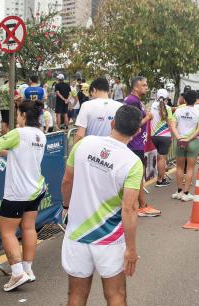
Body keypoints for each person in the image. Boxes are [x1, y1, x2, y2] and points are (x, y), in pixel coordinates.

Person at [61, 105, 143, 306]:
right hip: (110, 239)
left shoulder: (83, 144)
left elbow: (67, 180)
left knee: (76, 296)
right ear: (137, 132)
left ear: (112, 123)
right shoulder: (132, 162)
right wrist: (131, 249)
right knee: (116, 297)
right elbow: (129, 208)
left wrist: (66, 207)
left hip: (77, 234)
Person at [0, 100, 47, 292]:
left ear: (24, 115)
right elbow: (18, 152)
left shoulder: (18, 133)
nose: (16, 118)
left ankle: (16, 273)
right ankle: (28, 270)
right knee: (29, 228)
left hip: (17, 191)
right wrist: (1, 151)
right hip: (35, 189)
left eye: (17, 114)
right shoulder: (40, 135)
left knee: (7, 231)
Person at [122, 77, 161, 217]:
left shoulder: (133, 100)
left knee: (134, 176)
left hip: (134, 143)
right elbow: (134, 124)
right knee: (138, 176)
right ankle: (141, 206)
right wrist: (148, 117)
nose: (146, 87)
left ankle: (136, 205)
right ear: (135, 87)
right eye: (143, 85)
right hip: (134, 144)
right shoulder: (133, 101)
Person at [171, 89, 199, 201]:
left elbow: (173, 126)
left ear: (184, 99)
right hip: (193, 142)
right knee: (190, 168)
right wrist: (188, 139)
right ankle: (186, 193)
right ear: (195, 100)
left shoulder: (178, 111)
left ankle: (179, 191)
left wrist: (179, 138)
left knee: (179, 167)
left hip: (180, 141)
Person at [74, 78, 123, 142]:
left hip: (91, 149)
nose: (91, 97)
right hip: (112, 149)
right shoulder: (120, 106)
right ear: (108, 91)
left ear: (94, 90)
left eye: (91, 94)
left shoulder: (86, 105)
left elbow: (80, 135)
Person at [150, 89, 176, 187]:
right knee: (162, 158)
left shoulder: (152, 106)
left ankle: (162, 177)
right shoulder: (168, 108)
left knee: (160, 158)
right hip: (164, 136)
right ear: (167, 98)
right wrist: (173, 135)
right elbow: (170, 125)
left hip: (154, 136)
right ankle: (160, 180)